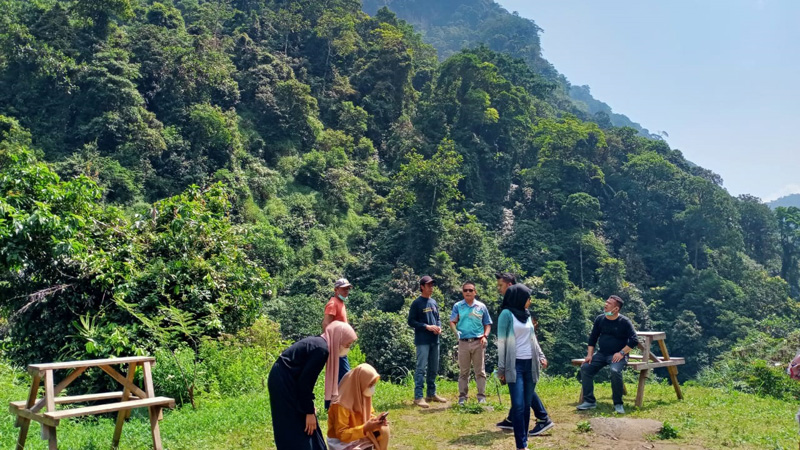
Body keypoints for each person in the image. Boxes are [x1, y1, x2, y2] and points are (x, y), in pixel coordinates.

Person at [268, 321, 358, 450]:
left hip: (288, 378)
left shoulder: (320, 344)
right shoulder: (321, 349)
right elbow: (305, 383)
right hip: (284, 380)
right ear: (338, 339)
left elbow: (304, 382)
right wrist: (309, 412)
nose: (347, 348)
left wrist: (308, 406)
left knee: (301, 418)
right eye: (347, 344)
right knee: (292, 422)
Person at [497, 284, 555, 450]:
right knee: (518, 405)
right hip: (514, 365)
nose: (530, 301)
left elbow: (533, 338)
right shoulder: (506, 315)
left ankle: (524, 444)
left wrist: (542, 356)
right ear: (519, 298)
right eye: (528, 297)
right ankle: (520, 445)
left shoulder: (527, 314)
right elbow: (501, 343)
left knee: (527, 402)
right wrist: (501, 369)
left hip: (530, 364)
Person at [577, 295, 639, 414]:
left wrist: (621, 353)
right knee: (585, 368)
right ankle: (589, 401)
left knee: (615, 371)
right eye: (606, 302)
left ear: (616, 309)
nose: (605, 305)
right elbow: (592, 338)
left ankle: (618, 403)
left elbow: (634, 339)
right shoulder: (600, 319)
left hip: (618, 355)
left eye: (609, 304)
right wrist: (589, 355)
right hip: (601, 354)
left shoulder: (624, 322)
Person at [327, 364, 390, 450]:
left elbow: (368, 416)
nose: (372, 388)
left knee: (384, 429)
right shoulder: (340, 404)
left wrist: (377, 421)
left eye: (373, 384)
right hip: (342, 442)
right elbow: (342, 434)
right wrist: (364, 428)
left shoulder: (363, 396)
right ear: (360, 383)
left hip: (360, 434)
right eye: (370, 384)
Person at [449, 281, 492, 405]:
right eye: (465, 290)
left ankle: (481, 397)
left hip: (478, 341)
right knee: (464, 372)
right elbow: (452, 321)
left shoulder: (481, 307)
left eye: (470, 290)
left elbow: (487, 323)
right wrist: (456, 332)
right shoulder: (458, 306)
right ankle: (462, 397)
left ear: (475, 292)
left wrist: (485, 336)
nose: (468, 292)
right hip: (463, 342)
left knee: (480, 371)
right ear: (462, 292)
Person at [407, 275, 447, 408]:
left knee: (433, 368)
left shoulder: (433, 302)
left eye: (432, 285)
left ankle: (431, 393)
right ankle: (418, 397)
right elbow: (411, 321)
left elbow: (438, 318)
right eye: (428, 285)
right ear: (422, 287)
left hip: (434, 340)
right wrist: (426, 326)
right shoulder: (417, 303)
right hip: (422, 340)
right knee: (421, 368)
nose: (431, 288)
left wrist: (439, 327)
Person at [323, 278, 353, 409]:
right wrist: (330, 343)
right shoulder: (333, 303)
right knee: (345, 374)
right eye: (343, 288)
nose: (346, 291)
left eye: (347, 289)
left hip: (341, 346)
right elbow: (326, 323)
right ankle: (340, 403)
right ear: (336, 290)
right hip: (335, 346)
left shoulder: (341, 303)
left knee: (338, 374)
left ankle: (334, 403)